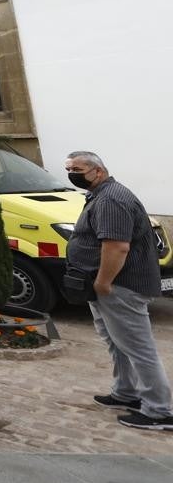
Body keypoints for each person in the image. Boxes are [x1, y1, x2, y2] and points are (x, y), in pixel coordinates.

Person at [64, 151, 173, 431]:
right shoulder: (101, 194)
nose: (72, 173)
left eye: (77, 168)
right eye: (69, 168)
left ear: (98, 171)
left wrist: (103, 282)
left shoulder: (112, 198)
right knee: (117, 342)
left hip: (119, 286)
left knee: (138, 348)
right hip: (108, 285)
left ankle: (160, 411)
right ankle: (126, 393)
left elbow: (117, 246)